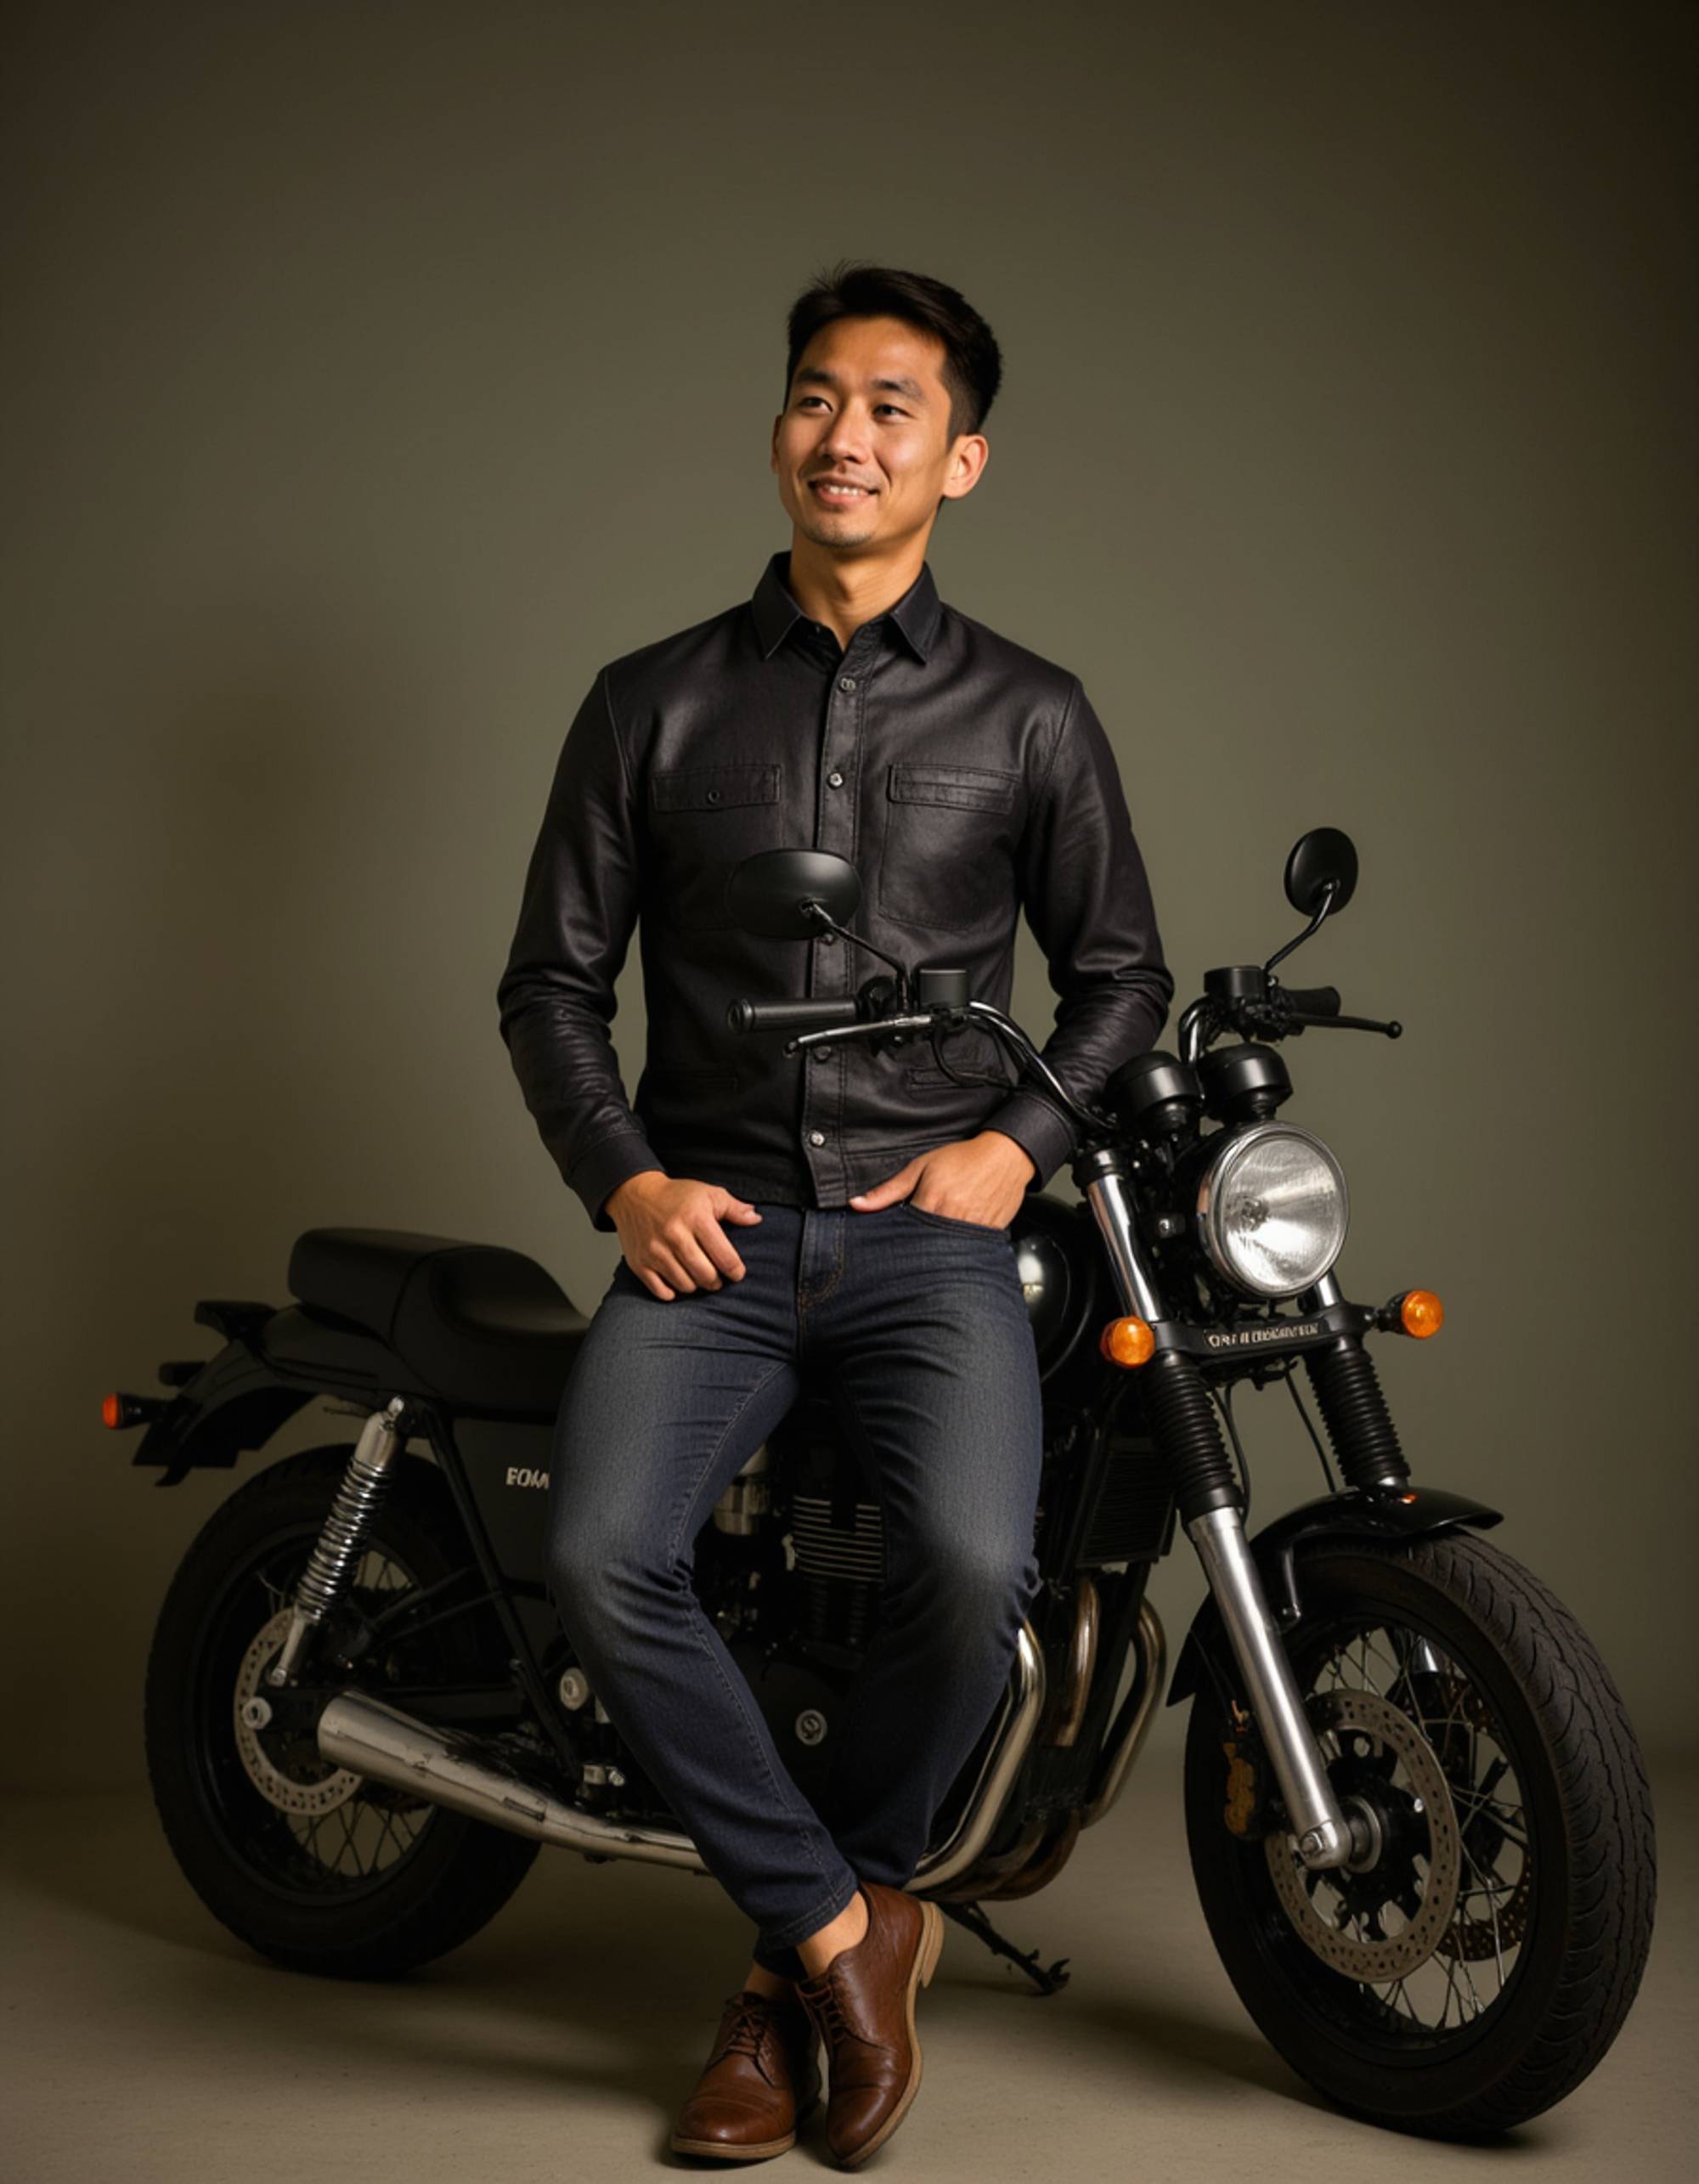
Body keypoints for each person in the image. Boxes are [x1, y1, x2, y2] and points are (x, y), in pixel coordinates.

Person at [495, 259, 1171, 2166]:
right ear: (776, 429)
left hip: (930, 1240)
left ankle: (798, 1946)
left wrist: (1012, 1143)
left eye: (889, 405)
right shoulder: (649, 702)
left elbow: (1119, 975)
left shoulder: (1033, 714)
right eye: (814, 394)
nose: (843, 430)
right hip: (702, 1238)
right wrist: (623, 1175)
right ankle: (839, 1935)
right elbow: (549, 985)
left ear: (961, 459)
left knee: (973, 1573)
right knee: (603, 1555)